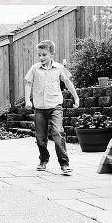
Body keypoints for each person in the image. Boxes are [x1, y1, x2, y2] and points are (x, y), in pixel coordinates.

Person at [25, 40, 80, 176]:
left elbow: (68, 82)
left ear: (51, 54)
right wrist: (27, 100)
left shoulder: (59, 68)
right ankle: (43, 159)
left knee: (57, 133)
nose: (41, 58)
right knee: (40, 137)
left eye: (44, 55)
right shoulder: (35, 68)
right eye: (39, 55)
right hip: (39, 108)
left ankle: (64, 164)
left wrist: (76, 97)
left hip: (55, 106)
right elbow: (28, 83)